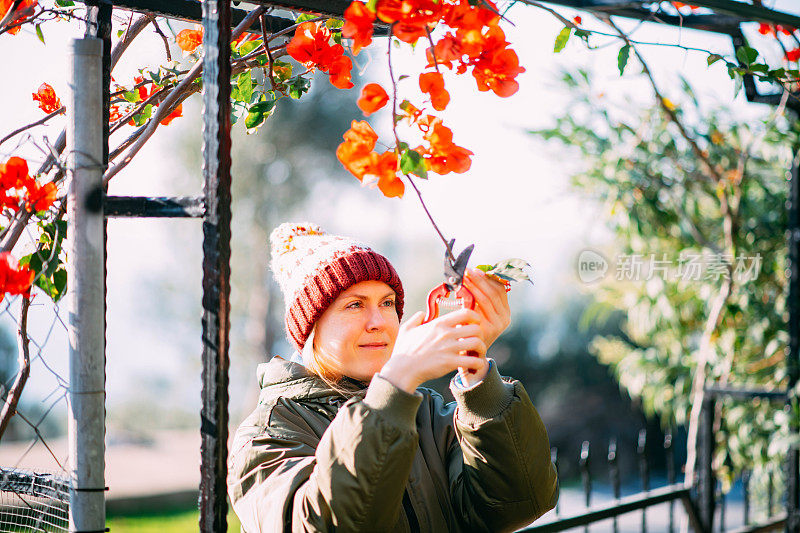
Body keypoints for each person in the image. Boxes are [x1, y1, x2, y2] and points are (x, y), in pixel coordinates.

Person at [227, 222, 558, 532]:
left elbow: (519, 503)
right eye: (355, 305)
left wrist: (478, 380)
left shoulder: (426, 410)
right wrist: (395, 384)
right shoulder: (264, 436)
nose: (379, 321)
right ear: (309, 327)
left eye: (387, 303)